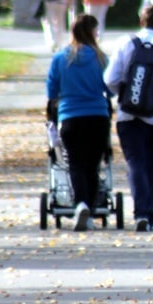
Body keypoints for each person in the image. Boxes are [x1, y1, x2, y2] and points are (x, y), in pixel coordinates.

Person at [104, 5, 153, 231]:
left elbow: (110, 79)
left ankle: (141, 213)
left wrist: (127, 93)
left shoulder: (124, 43)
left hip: (128, 116)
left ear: (141, 21)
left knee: (136, 164)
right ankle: (149, 214)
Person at [46, 14, 111, 232]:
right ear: (92, 32)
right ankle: (90, 212)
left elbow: (52, 91)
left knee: (75, 163)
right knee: (92, 166)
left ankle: (80, 203)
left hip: (70, 117)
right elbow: (111, 88)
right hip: (98, 117)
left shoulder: (60, 58)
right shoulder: (101, 58)